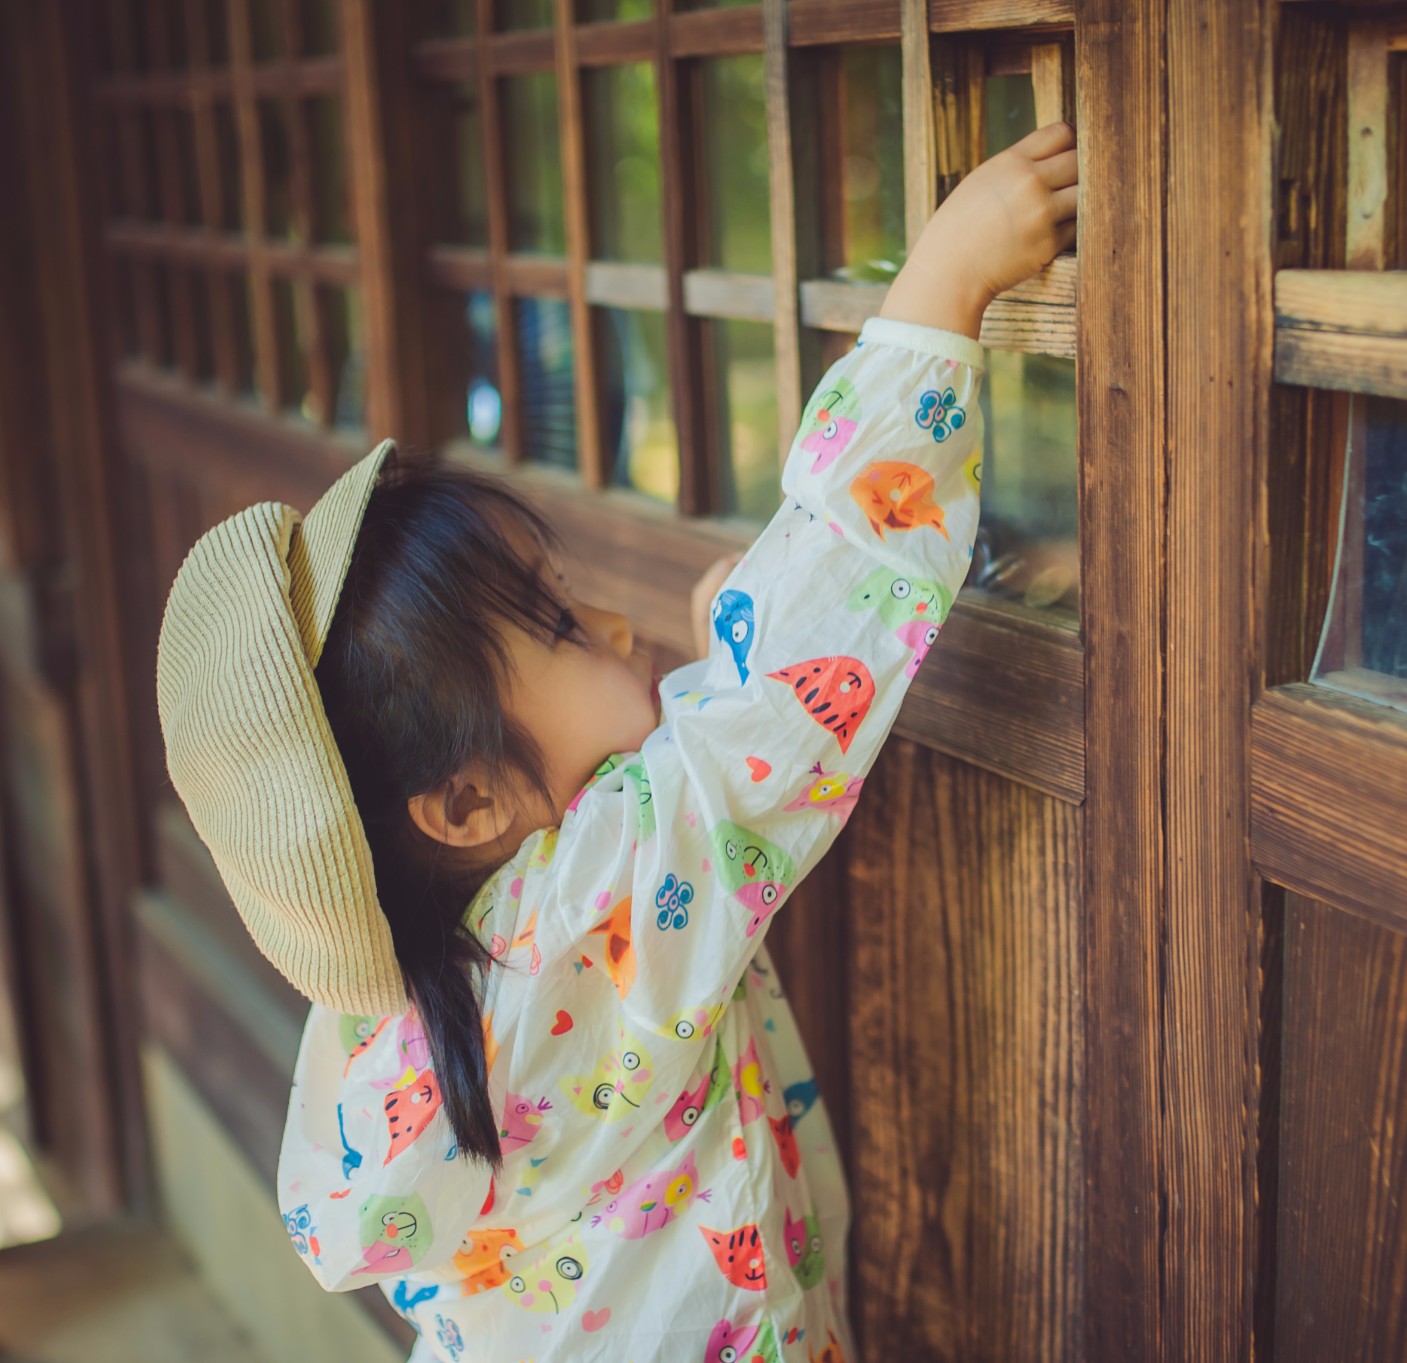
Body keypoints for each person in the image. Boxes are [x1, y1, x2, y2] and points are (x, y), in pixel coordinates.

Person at [155, 123, 1080, 1363]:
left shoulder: (410, 1019)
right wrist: (937, 295)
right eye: (554, 623)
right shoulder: (594, 907)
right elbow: (790, 681)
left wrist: (712, 672)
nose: (608, 619)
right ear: (467, 804)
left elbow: (664, 798)